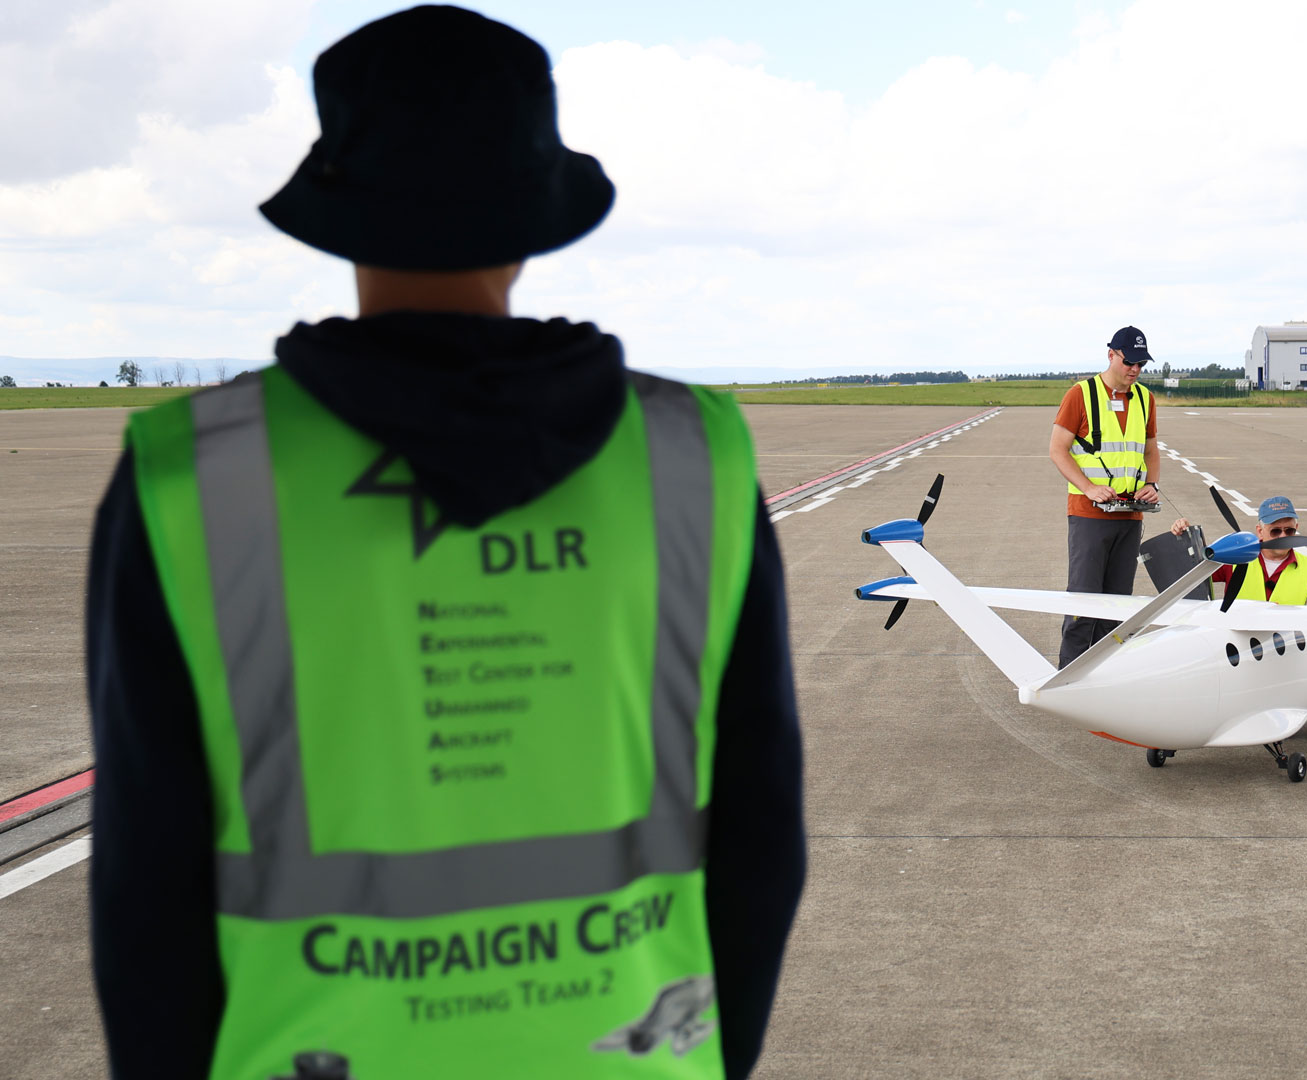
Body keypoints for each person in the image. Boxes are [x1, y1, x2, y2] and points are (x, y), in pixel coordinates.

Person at [84, 9, 802, 1079]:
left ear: (341, 221)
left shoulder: (192, 477)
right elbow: (760, 833)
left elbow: (146, 882)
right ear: (534, 222)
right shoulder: (693, 458)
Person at [1048, 327, 1162, 665]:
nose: (1135, 369)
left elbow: (1151, 450)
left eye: (1141, 364)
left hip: (1130, 514)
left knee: (1117, 607)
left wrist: (1152, 485)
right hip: (1089, 515)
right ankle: (1069, 677)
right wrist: (1089, 488)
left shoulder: (1145, 399)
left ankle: (1106, 676)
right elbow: (1057, 450)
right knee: (1083, 604)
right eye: (1129, 362)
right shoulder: (1080, 395)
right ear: (1111, 354)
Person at [1171, 496, 1307, 607]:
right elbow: (1187, 573)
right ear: (1260, 531)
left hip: (1285, 649)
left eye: (1289, 530)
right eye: (1275, 531)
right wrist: (1182, 539)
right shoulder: (1235, 558)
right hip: (1239, 647)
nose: (1283, 536)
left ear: (1296, 529)